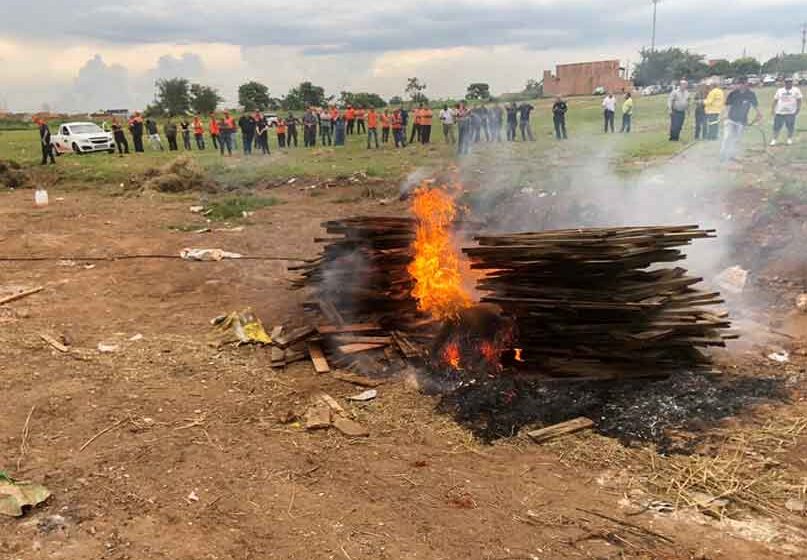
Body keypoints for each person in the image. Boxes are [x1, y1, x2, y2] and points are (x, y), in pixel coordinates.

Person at [720, 76, 761, 162]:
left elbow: (755, 106)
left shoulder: (751, 94)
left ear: (746, 84)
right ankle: (723, 155)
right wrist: (725, 115)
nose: (740, 85)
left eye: (742, 83)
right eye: (739, 83)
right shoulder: (733, 94)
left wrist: (758, 114)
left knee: (736, 139)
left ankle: (731, 155)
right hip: (730, 119)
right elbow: (727, 106)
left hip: (742, 121)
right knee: (727, 137)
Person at [770, 76, 802, 146]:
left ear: (792, 83)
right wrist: (772, 109)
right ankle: (774, 140)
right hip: (779, 112)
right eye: (787, 82)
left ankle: (789, 139)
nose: (788, 84)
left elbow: (799, 100)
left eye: (790, 82)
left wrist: (798, 109)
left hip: (791, 112)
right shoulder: (780, 90)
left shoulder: (796, 90)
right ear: (785, 83)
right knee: (776, 127)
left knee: (790, 126)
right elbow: (775, 100)